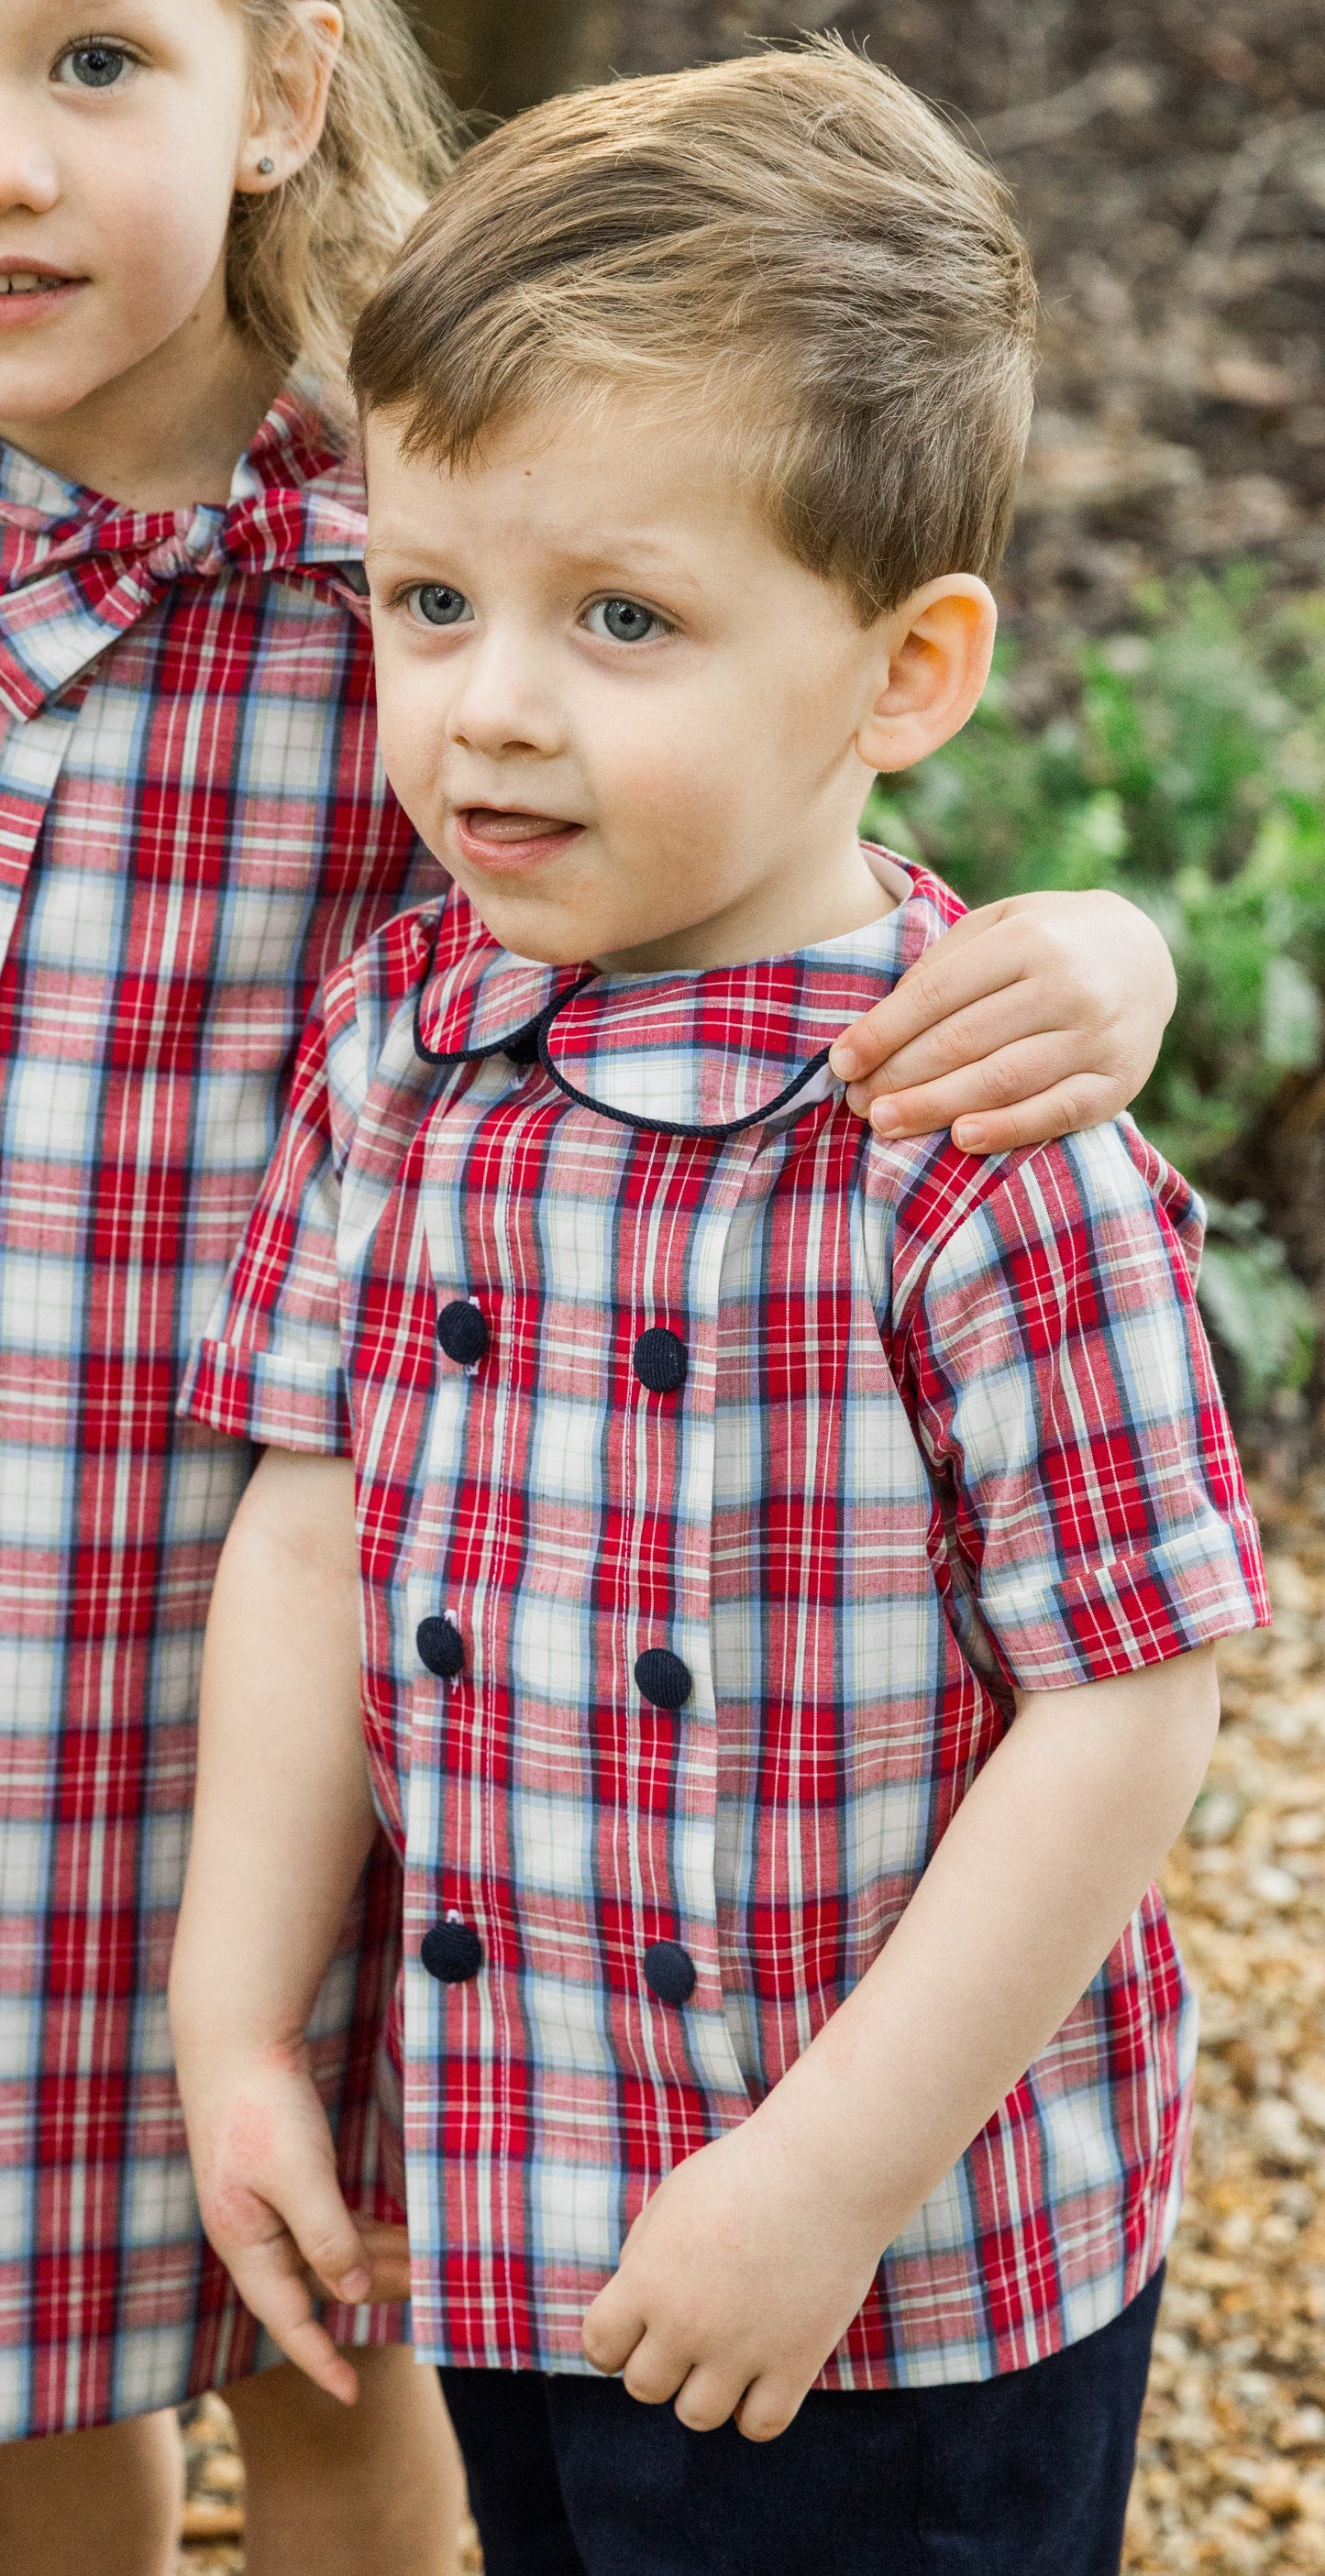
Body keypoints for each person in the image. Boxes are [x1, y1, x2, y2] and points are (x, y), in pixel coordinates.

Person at [170, 39, 1269, 2576]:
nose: (490, 706)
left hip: (888, 2275)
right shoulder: (406, 1043)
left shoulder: (968, 1140)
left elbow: (1129, 1704)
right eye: (430, 598)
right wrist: (242, 2019)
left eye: (623, 617)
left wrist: (820, 2179)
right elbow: (317, 1529)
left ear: (903, 675)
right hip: (511, 2176)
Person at [0, 6, 473, 2572]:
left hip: (334, 1651)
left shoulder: (427, 552)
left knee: (339, 2312)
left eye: (90, 57)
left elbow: (779, 845)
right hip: (5, 1706)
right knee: (26, 2352)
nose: (7, 166)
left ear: (279, 92)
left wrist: (1100, 957)